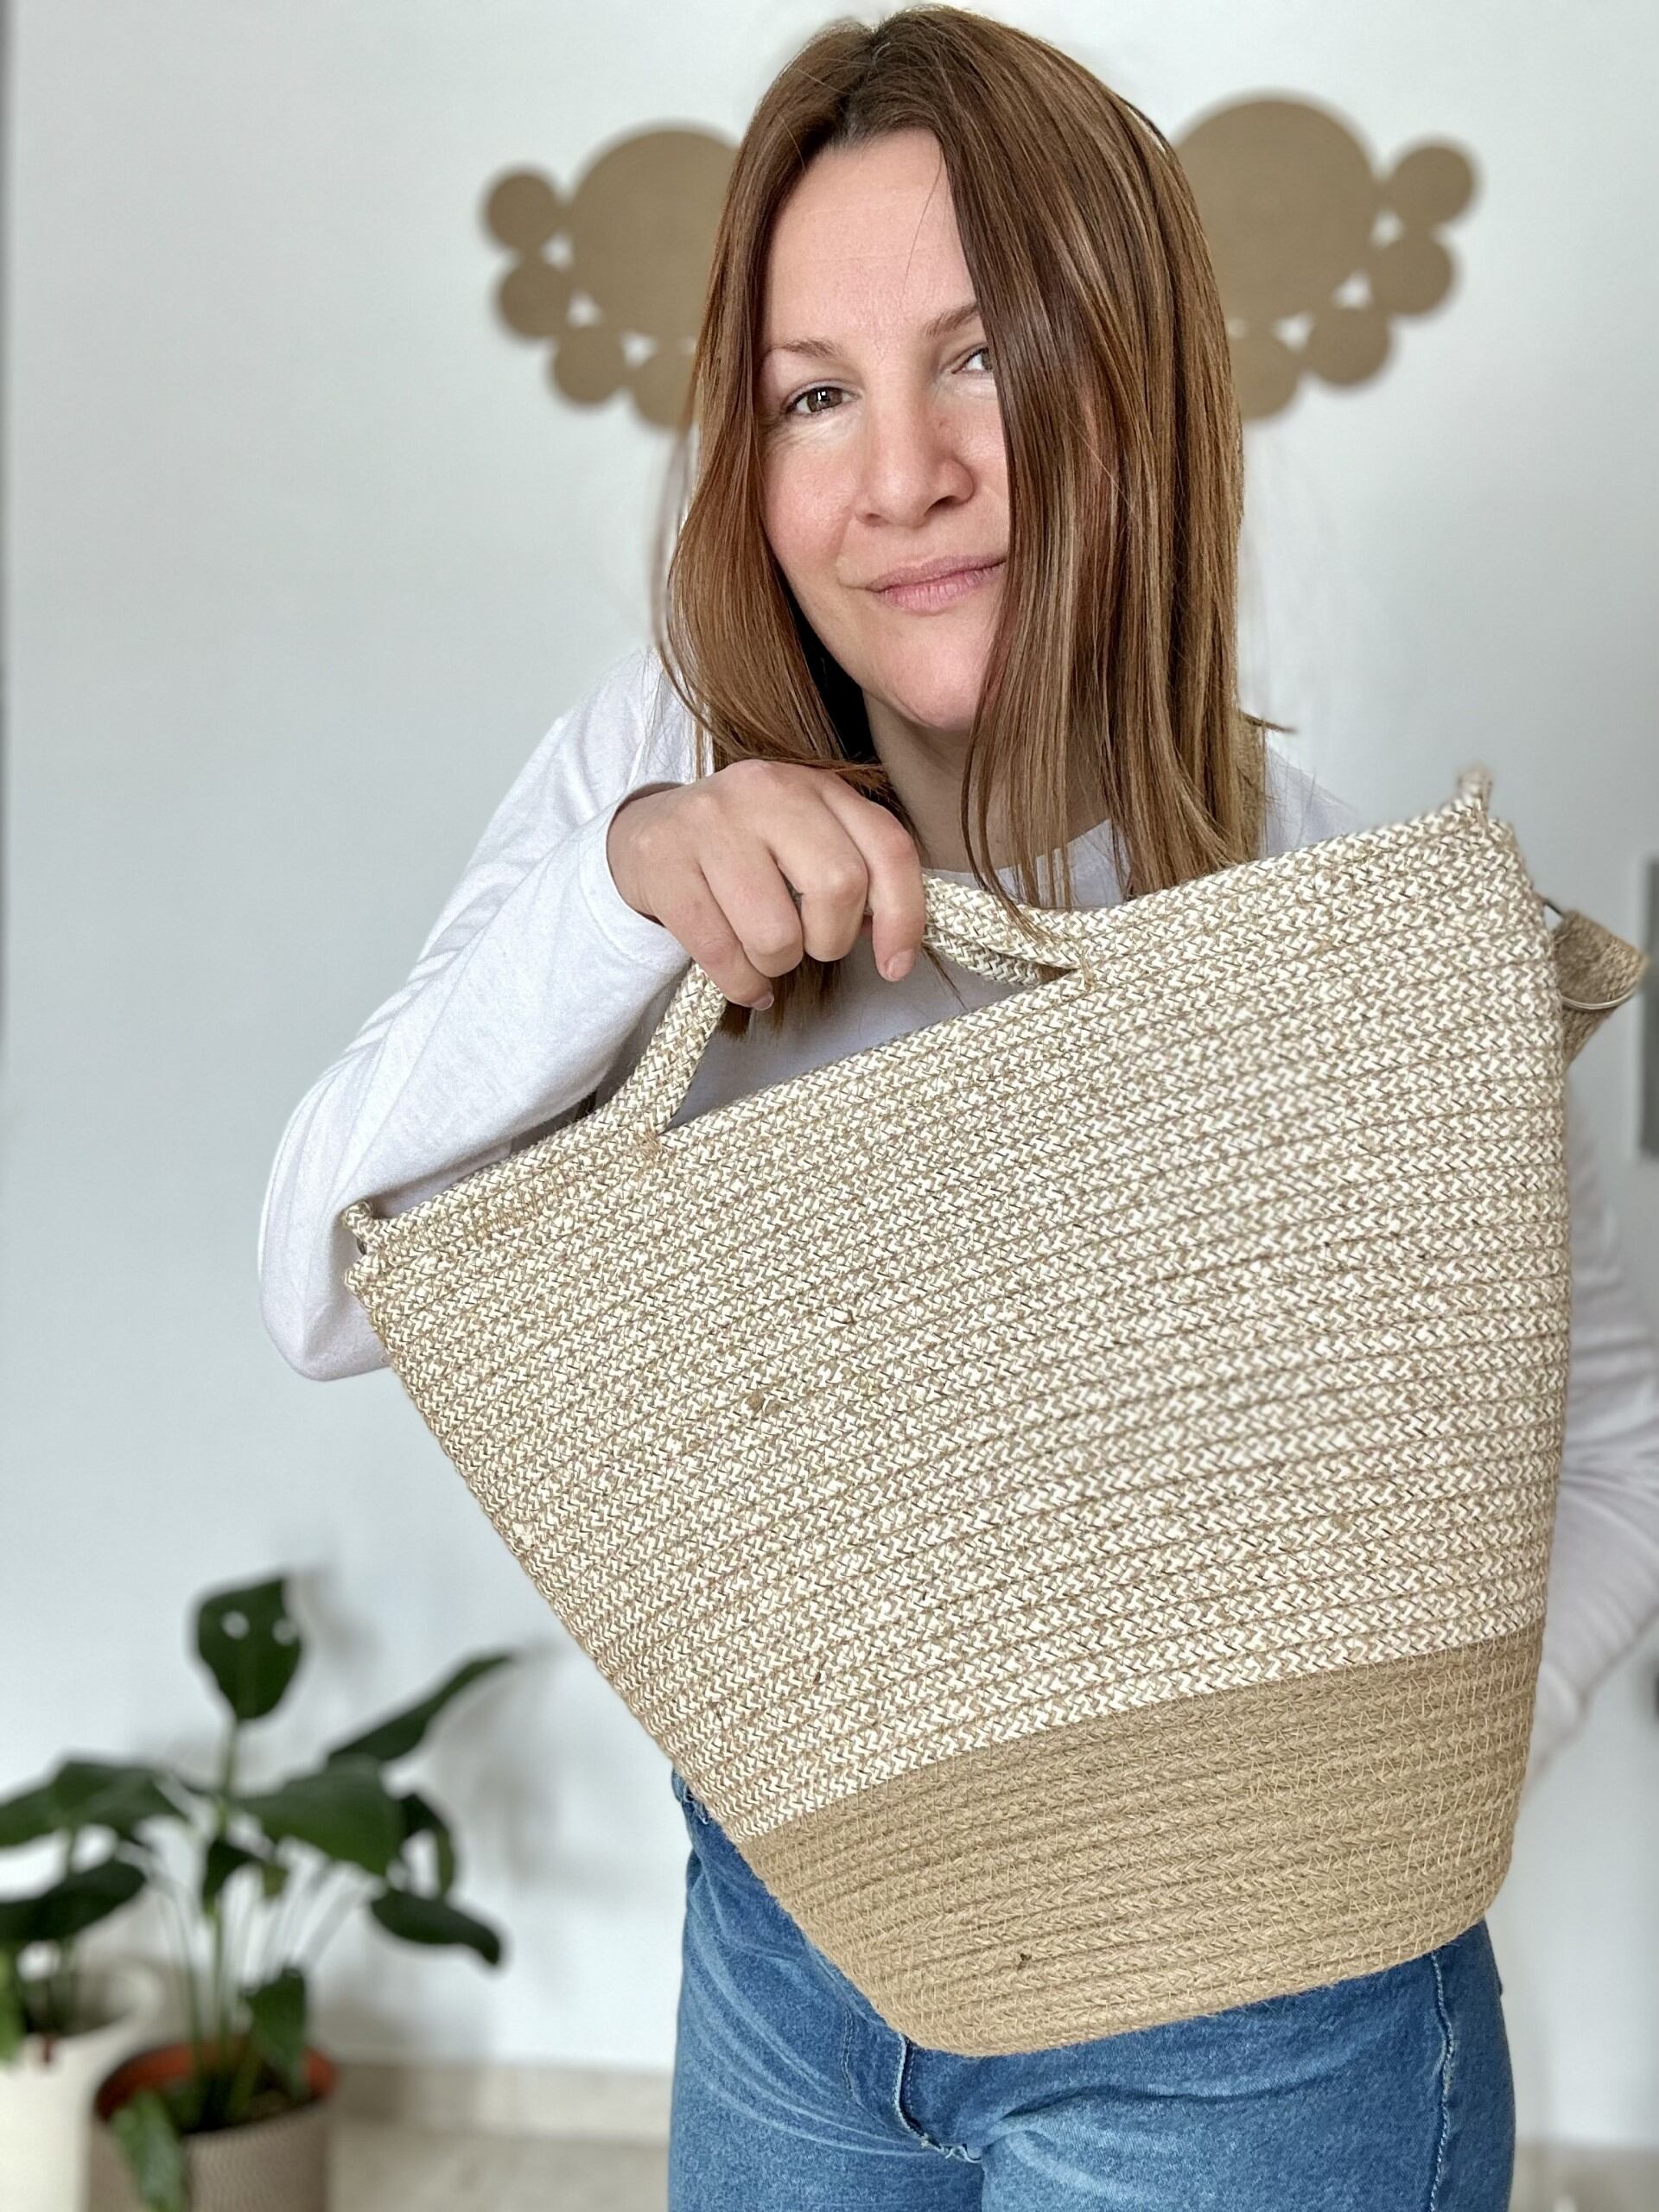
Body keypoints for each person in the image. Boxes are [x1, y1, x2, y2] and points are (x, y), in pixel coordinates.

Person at [257, 9, 1659, 2206]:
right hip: (786, 1965)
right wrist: (624, 895)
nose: (896, 471)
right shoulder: (652, 759)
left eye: (982, 358)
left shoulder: (1342, 910)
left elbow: (1615, 1426)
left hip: (1252, 2042)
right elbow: (318, 1278)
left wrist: (1355, 1815)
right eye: (815, 393)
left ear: (1138, 380)